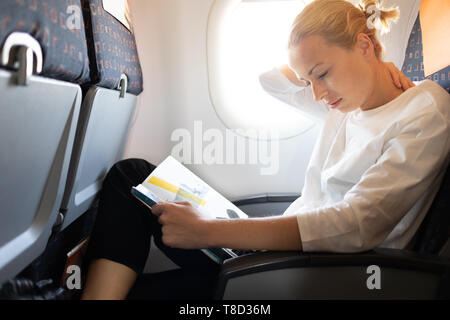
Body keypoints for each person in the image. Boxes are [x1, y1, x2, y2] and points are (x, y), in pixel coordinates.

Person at [81, 0, 450, 300]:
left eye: (322, 73)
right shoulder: (347, 102)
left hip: (320, 275)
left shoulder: (423, 113)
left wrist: (209, 231)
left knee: (131, 205)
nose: (318, 95)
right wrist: (315, 68)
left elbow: (356, 226)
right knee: (132, 177)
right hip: (282, 257)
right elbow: (270, 81)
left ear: (365, 45)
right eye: (310, 81)